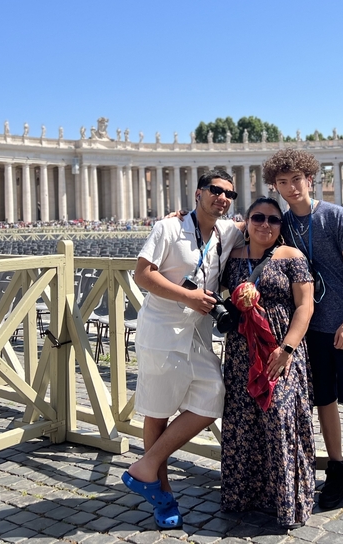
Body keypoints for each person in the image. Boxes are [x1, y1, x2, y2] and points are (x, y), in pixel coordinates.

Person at [262, 148, 343, 516]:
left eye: (296, 179)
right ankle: (336, 470)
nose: (290, 187)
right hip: (310, 330)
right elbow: (250, 233)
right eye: (282, 182)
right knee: (325, 401)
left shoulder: (335, 216)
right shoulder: (282, 223)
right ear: (276, 186)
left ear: (309, 179)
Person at [123, 170, 243, 529]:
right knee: (157, 413)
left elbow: (259, 226)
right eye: (215, 191)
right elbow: (142, 274)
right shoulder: (169, 228)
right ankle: (162, 493)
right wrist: (188, 296)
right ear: (198, 193)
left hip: (197, 334)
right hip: (161, 331)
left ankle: (145, 466)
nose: (222, 198)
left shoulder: (228, 231)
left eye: (229, 194)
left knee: (213, 396)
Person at [221, 197, 315, 528]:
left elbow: (305, 306)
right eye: (257, 218)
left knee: (279, 416)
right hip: (241, 350)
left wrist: (287, 348)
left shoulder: (292, 256)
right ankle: (245, 495)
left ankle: (287, 499)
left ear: (281, 226)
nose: (265, 224)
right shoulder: (231, 257)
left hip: (281, 351)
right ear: (246, 222)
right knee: (242, 419)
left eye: (273, 220)